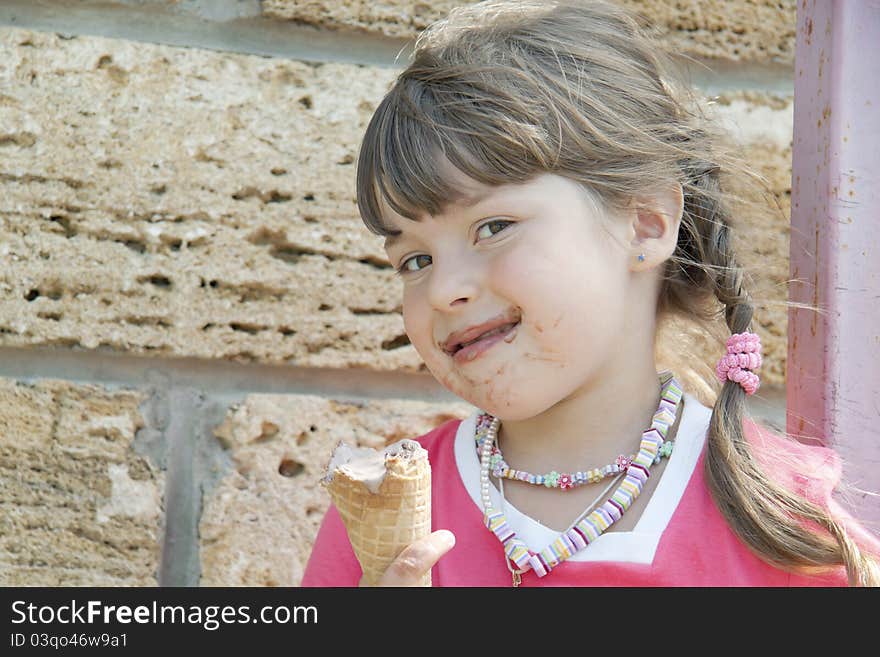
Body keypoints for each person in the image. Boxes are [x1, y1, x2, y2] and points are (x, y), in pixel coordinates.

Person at [301, 0, 880, 586]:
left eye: (493, 227)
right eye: (416, 259)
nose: (446, 289)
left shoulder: (792, 530)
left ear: (647, 223)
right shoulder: (381, 519)